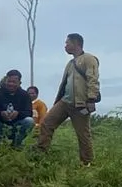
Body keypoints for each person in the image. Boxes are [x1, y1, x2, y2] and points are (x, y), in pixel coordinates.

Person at [36, 33, 101, 166]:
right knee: (47, 123)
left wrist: (91, 99)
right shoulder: (70, 63)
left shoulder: (89, 59)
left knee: (83, 135)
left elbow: (93, 79)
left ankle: (86, 163)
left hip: (81, 103)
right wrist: (57, 101)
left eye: (67, 43)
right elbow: (64, 84)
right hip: (65, 101)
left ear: (76, 43)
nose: (65, 46)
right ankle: (40, 154)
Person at [0, 70, 34, 146]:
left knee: (29, 121)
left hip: (16, 125)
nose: (11, 84)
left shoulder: (25, 95)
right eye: (9, 81)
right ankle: (1, 142)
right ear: (5, 81)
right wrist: (0, 114)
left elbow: (29, 112)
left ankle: (16, 144)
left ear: (19, 83)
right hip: (1, 125)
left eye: (14, 82)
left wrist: (18, 113)